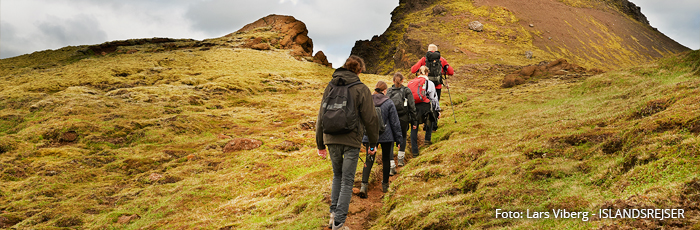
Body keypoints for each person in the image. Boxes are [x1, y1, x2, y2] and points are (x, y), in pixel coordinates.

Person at [316, 55, 379, 230]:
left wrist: (320, 144)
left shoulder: (330, 86)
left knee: (337, 176)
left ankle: (333, 217)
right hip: (351, 140)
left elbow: (321, 115)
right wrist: (373, 144)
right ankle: (339, 224)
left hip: (330, 138)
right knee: (347, 180)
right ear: (359, 70)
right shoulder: (361, 88)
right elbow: (371, 119)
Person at [359, 81, 403, 198]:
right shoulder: (388, 102)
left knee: (369, 158)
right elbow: (395, 122)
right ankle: (385, 185)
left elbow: (362, 119)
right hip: (386, 136)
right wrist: (398, 139)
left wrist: (363, 136)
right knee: (385, 160)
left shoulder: (368, 101)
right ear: (385, 91)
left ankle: (364, 185)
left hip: (370, 135)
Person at [410, 44, 454, 131]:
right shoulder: (441, 59)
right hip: (437, 86)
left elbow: (413, 70)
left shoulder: (424, 59)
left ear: (428, 51)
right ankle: (434, 126)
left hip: (425, 86)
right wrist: (442, 72)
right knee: (435, 104)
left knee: (427, 104)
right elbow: (451, 72)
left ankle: (426, 125)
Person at [386, 72, 417, 166]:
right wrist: (414, 121)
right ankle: (400, 160)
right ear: (403, 80)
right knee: (403, 136)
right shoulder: (406, 90)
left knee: (390, 139)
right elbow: (412, 106)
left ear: (393, 81)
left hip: (391, 118)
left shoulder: (389, 91)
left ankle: (391, 164)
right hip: (404, 118)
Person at [409, 66, 440, 157]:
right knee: (430, 118)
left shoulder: (411, 83)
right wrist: (437, 109)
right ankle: (427, 140)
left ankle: (414, 151)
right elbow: (433, 98)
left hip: (414, 107)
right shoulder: (429, 83)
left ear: (419, 73)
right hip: (425, 106)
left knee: (414, 127)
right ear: (427, 73)